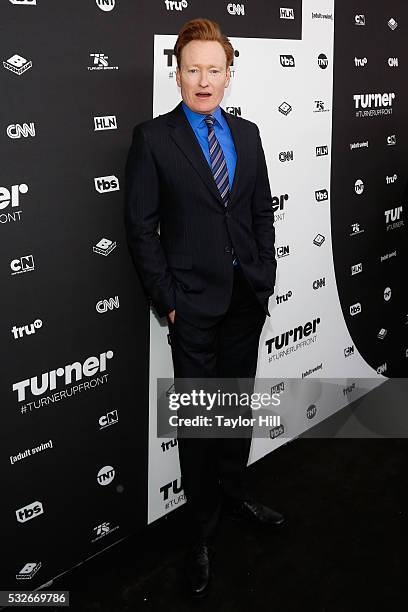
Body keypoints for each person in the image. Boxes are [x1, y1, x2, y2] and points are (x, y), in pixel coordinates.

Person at [125, 17, 285, 598]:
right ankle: (200, 530)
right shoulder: (154, 139)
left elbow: (260, 210)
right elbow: (141, 229)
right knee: (198, 422)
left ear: (228, 76)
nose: (203, 79)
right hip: (190, 306)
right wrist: (167, 301)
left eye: (213, 69)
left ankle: (234, 496)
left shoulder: (248, 134)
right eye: (192, 68)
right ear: (176, 73)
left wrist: (264, 272)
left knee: (235, 405)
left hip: (247, 297)